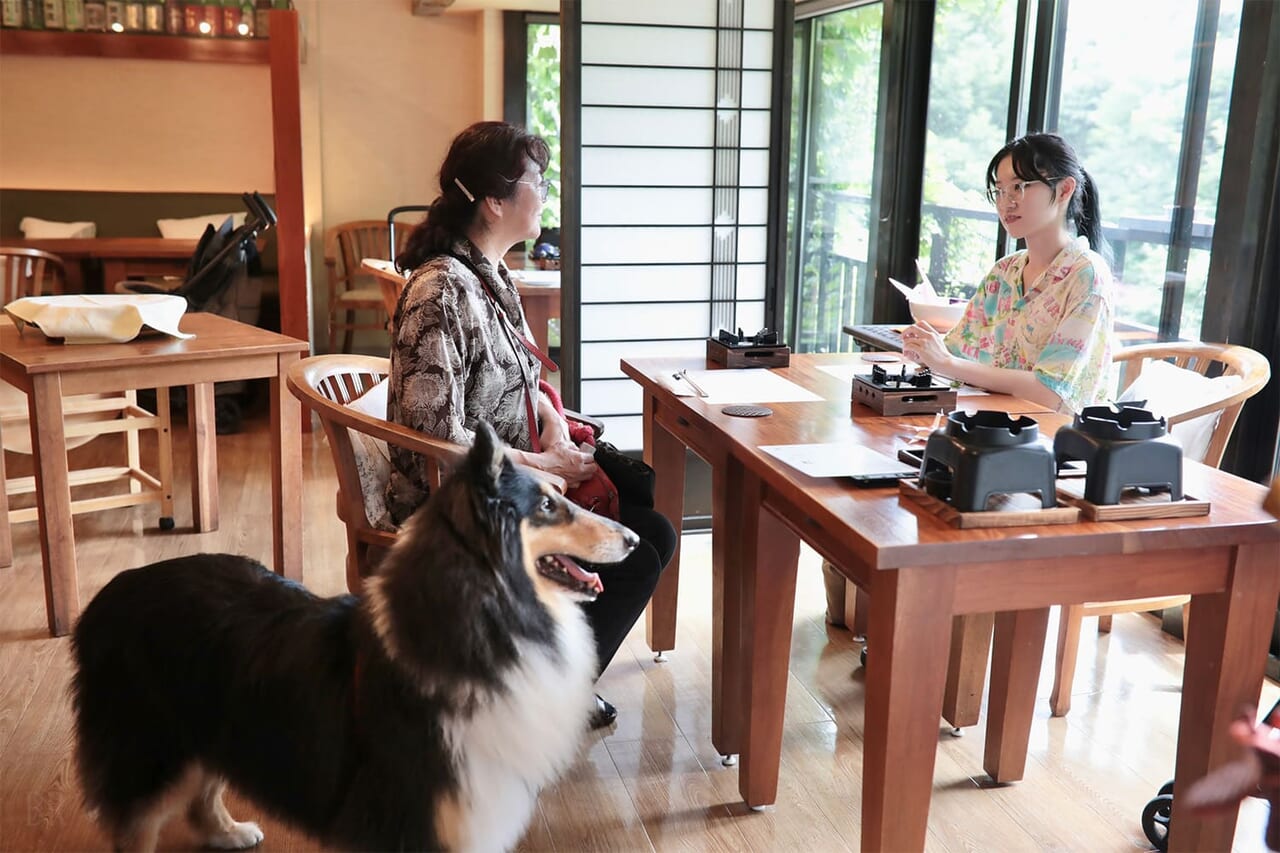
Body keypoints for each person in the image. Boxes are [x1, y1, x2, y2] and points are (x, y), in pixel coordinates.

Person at [386, 121, 676, 729]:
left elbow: (520, 374)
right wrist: (547, 466)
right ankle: (535, 695)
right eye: (536, 181)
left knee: (653, 531)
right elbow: (437, 440)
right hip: (461, 501)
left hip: (513, 483)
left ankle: (551, 684)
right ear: (494, 200)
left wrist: (550, 421)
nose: (545, 192)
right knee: (638, 556)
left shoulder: (491, 276)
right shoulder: (440, 289)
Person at [901, 133, 1115, 414]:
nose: (1006, 202)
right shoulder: (1004, 272)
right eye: (1000, 190)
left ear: (1064, 190)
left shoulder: (1086, 276)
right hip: (990, 425)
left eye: (1019, 187)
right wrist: (926, 349)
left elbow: (1048, 392)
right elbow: (957, 352)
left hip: (1055, 441)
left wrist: (946, 363)